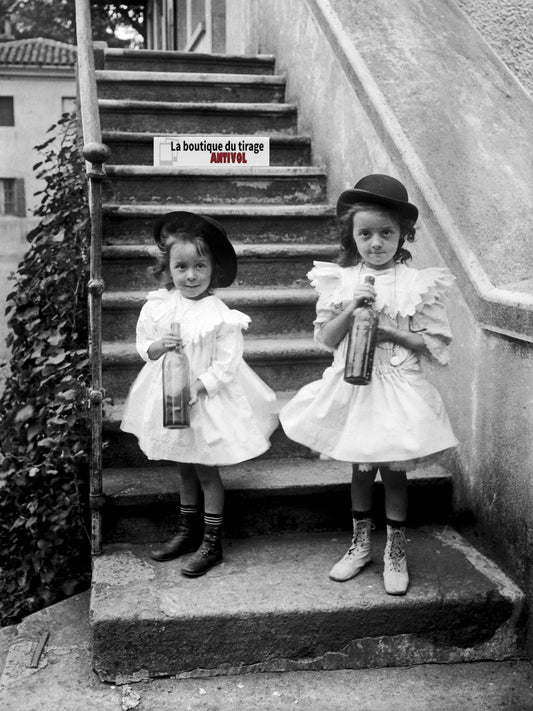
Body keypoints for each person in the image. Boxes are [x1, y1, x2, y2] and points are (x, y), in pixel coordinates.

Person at [280, 174, 458, 595]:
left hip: (397, 386)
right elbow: (325, 338)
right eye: (365, 234)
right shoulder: (340, 281)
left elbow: (434, 344)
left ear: (403, 234)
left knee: (394, 472)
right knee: (360, 468)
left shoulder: (417, 283)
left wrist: (392, 333)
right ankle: (360, 544)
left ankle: (396, 549)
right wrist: (352, 307)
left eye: (386, 233)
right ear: (352, 236)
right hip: (354, 385)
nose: (376, 243)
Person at [121, 211, 278, 577]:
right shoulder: (159, 305)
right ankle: (186, 531)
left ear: (213, 269)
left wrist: (198, 384)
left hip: (205, 398)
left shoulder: (221, 315)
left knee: (206, 471)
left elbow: (227, 364)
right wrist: (160, 345)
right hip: (168, 395)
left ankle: (211, 541)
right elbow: (143, 346)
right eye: (181, 267)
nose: (190, 276)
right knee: (183, 468)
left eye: (199, 266)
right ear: (168, 268)